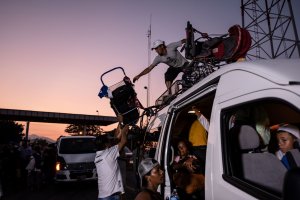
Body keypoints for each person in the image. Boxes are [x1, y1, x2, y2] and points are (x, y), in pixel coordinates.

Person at [94, 116, 129, 200]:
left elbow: (116, 138)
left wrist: (120, 123)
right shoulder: (108, 154)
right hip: (110, 196)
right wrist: (124, 131)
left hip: (103, 195)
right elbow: (123, 141)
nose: (110, 142)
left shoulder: (99, 155)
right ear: (105, 145)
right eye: (108, 141)